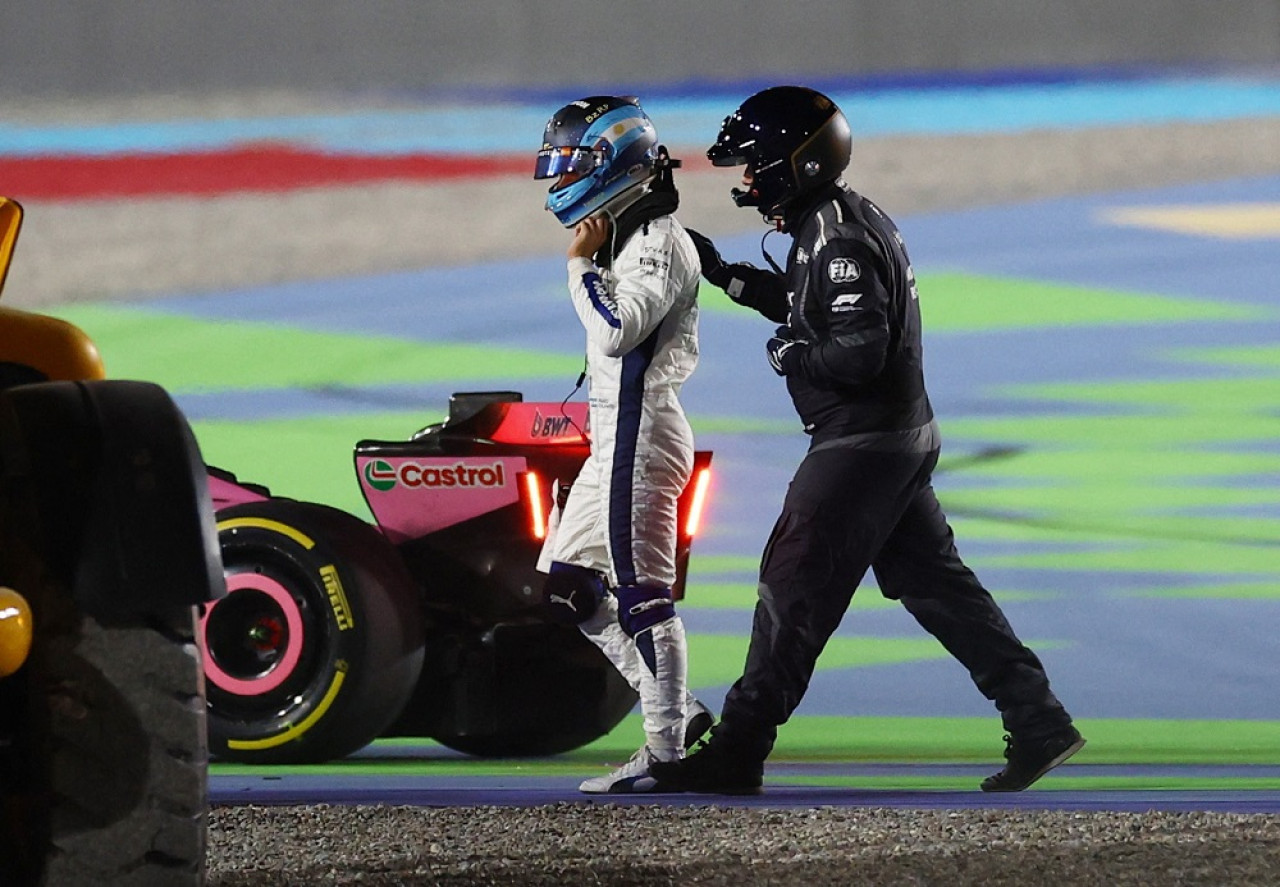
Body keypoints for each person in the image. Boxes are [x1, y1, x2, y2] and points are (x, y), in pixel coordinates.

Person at [649, 85, 1084, 795]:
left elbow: (857, 350)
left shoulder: (837, 235)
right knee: (939, 587)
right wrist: (727, 274)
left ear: (801, 163)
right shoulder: (837, 221)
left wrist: (789, 355)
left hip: (862, 445)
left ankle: (739, 746)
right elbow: (806, 299)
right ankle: (1038, 718)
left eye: (756, 165)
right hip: (899, 438)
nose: (748, 179)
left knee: (791, 586)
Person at [532, 95, 712, 793]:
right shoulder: (632, 238)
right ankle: (679, 714)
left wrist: (577, 267)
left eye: (569, 168)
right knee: (570, 583)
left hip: (641, 437)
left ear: (613, 168)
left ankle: (666, 752)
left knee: (644, 599)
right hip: (615, 436)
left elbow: (617, 330)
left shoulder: (658, 244)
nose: (557, 187)